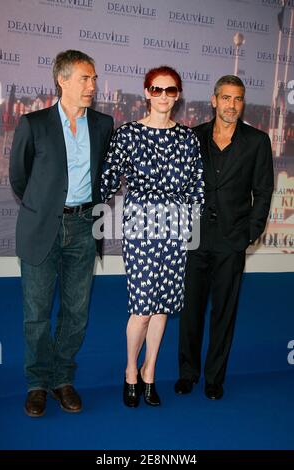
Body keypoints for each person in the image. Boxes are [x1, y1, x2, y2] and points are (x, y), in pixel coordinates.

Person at [9, 50, 113, 417]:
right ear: (62, 81)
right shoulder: (33, 123)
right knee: (36, 313)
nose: (92, 85)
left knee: (76, 312)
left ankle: (61, 379)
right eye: (85, 78)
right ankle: (37, 383)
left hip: (85, 227)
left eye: (94, 78)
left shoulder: (103, 124)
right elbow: (19, 178)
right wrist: (46, 208)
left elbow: (104, 177)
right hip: (42, 228)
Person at [101, 66, 204, 407]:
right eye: (156, 90)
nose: (163, 96)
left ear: (178, 94)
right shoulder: (127, 134)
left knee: (162, 309)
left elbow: (196, 189)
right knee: (142, 309)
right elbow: (108, 180)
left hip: (175, 230)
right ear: (146, 92)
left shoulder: (188, 138)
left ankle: (150, 372)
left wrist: (192, 229)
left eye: (170, 90)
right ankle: (130, 371)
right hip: (140, 227)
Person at [175, 75, 274, 400]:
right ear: (214, 100)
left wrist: (250, 232)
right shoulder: (193, 137)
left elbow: (263, 191)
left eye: (238, 99)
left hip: (232, 240)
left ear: (242, 103)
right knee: (190, 310)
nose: (232, 105)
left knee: (224, 312)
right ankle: (187, 373)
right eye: (226, 98)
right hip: (194, 237)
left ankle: (214, 378)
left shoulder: (257, 142)